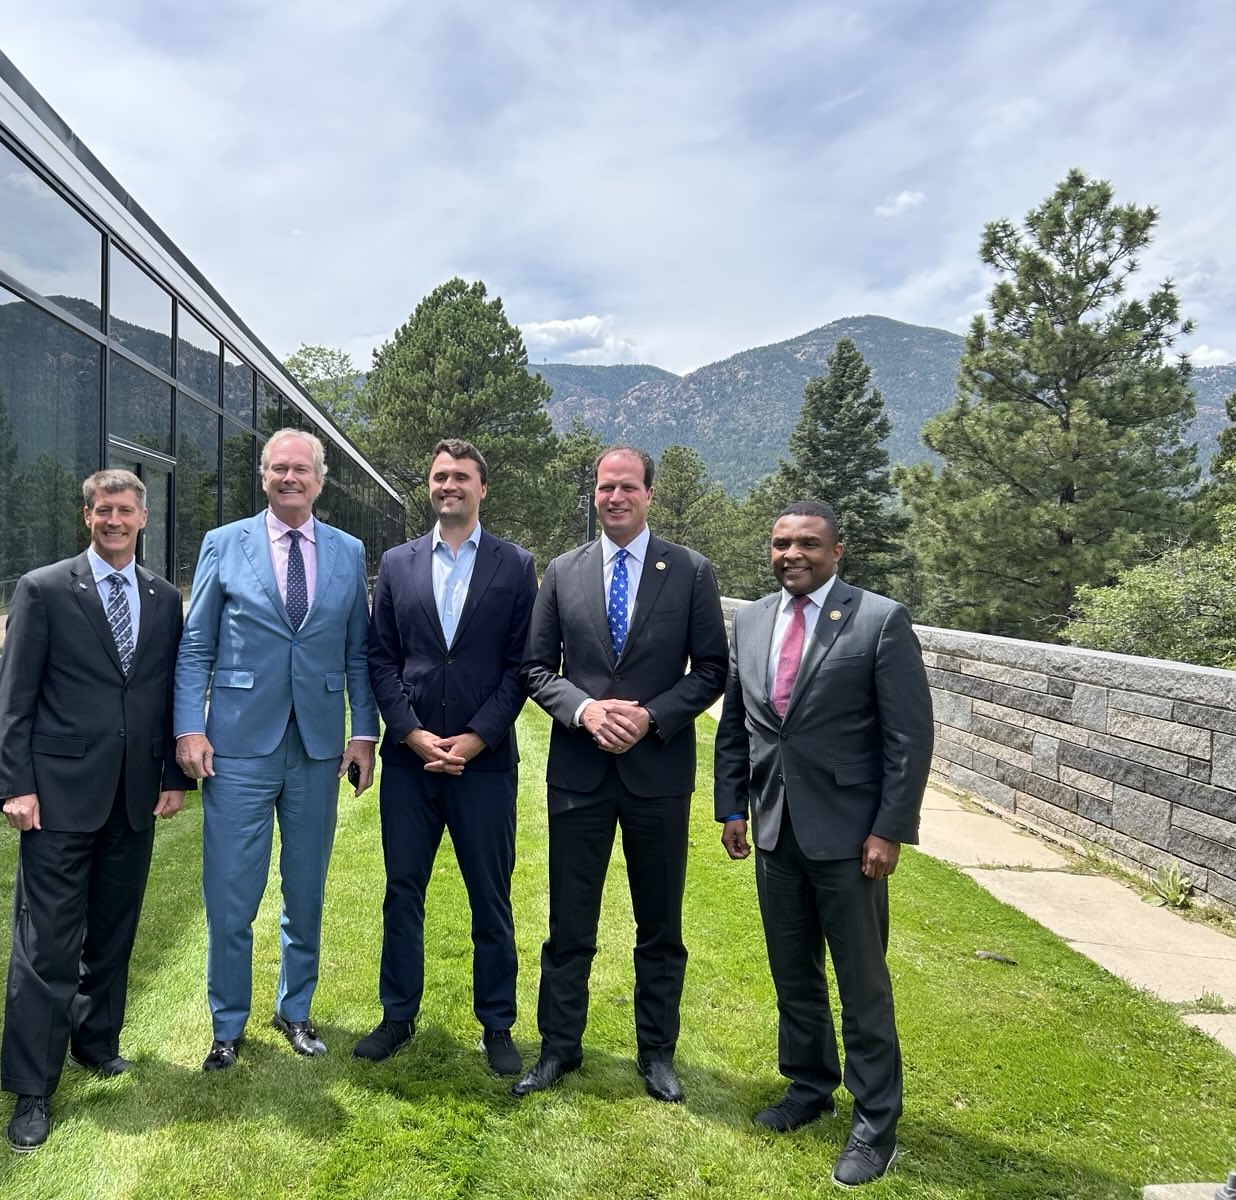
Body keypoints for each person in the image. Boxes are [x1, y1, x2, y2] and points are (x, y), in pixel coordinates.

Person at [713, 499, 932, 1188]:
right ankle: (808, 1088)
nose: (792, 555)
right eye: (781, 543)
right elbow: (736, 726)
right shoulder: (750, 620)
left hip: (850, 838)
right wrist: (733, 807)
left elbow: (908, 737)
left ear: (839, 551)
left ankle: (875, 1124)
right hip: (775, 827)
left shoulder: (879, 620)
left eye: (808, 543)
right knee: (794, 975)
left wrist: (889, 828)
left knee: (862, 985)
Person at [515, 445, 727, 1103]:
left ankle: (657, 1053)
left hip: (657, 775)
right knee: (569, 923)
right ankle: (559, 1048)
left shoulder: (690, 572)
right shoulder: (562, 571)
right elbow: (534, 669)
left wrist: (652, 716)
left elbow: (713, 671)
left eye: (627, 487)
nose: (614, 497)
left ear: (649, 495)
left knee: (660, 927)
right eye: (605, 488)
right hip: (578, 774)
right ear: (595, 495)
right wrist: (582, 710)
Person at [0, 468, 192, 1153]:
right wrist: (14, 785)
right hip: (55, 797)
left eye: (125, 510)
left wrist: (172, 777)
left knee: (112, 934)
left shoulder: (165, 598)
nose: (114, 519)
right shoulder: (44, 589)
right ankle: (31, 1089)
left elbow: (165, 693)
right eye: (102, 509)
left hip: (133, 796)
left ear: (143, 518)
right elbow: (15, 695)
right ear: (87, 517)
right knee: (46, 944)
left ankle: (97, 1044)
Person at [174, 428, 378, 1071]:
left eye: (302, 470)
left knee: (306, 890)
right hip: (237, 746)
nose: (290, 478)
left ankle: (295, 1011)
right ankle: (226, 1025)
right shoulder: (223, 544)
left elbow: (358, 654)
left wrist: (363, 733)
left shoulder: (348, 552)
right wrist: (189, 727)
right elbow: (196, 646)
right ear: (263, 477)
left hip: (317, 746)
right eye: (278, 469)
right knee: (232, 893)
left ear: (320, 480)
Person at [356, 439, 538, 1076]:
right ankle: (397, 1014)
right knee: (402, 892)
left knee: (491, 898)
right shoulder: (398, 563)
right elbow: (380, 657)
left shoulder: (516, 566)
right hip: (411, 763)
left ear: (482, 488)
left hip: (483, 764)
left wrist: (478, 735)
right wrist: (405, 732)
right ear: (428, 488)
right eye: (439, 476)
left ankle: (497, 1024)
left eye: (461, 476)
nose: (449, 485)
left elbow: (524, 665)